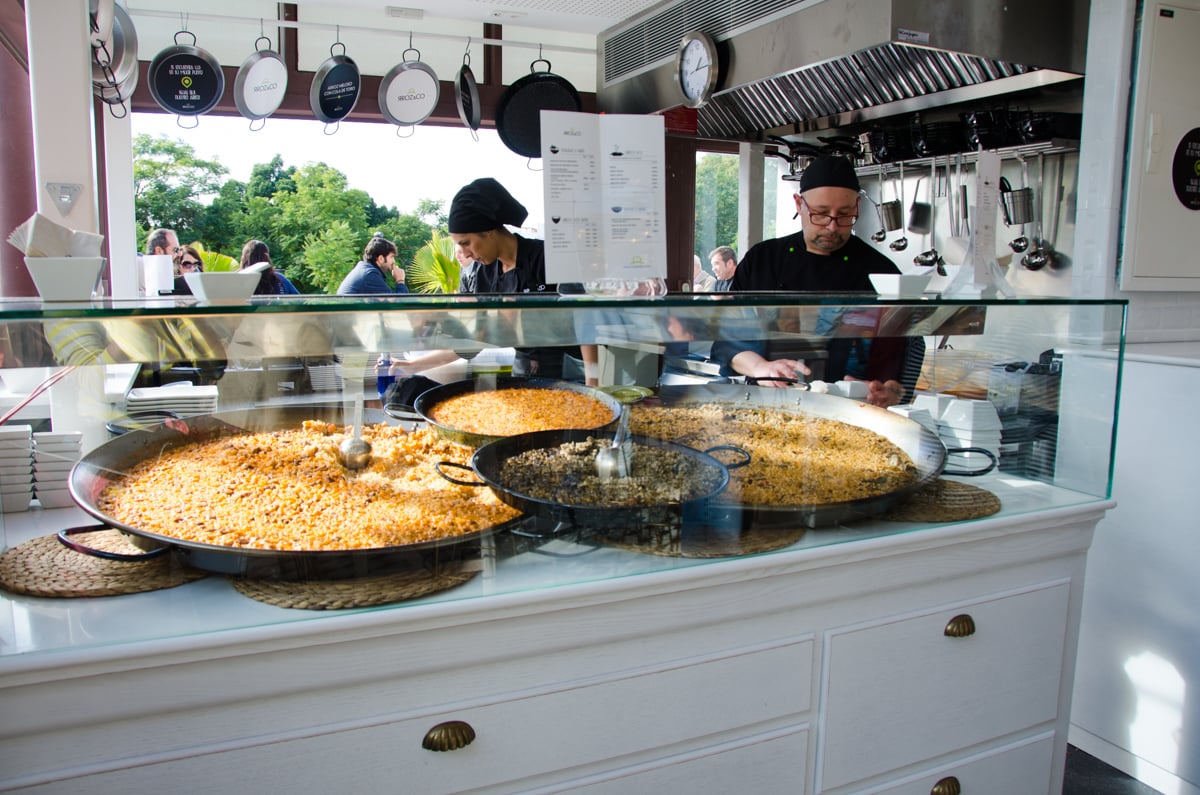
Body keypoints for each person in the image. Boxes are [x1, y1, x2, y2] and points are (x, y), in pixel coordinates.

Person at [710, 155, 922, 407]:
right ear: (799, 203)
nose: (832, 227)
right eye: (820, 214)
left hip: (853, 416)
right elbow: (728, 341)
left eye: (843, 215)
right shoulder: (764, 259)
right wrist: (761, 367)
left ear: (857, 207)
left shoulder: (881, 271)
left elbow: (901, 360)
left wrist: (893, 392)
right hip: (767, 408)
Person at [447, 177, 591, 381]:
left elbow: (586, 321)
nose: (466, 254)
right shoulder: (483, 274)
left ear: (487, 231)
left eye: (466, 243)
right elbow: (478, 339)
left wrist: (594, 383)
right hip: (524, 368)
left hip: (571, 368)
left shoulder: (548, 258)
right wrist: (416, 362)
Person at [337, 234, 409, 295]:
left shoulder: (365, 270)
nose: (393, 261)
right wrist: (400, 280)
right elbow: (395, 306)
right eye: (391, 257)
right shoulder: (370, 274)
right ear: (381, 258)